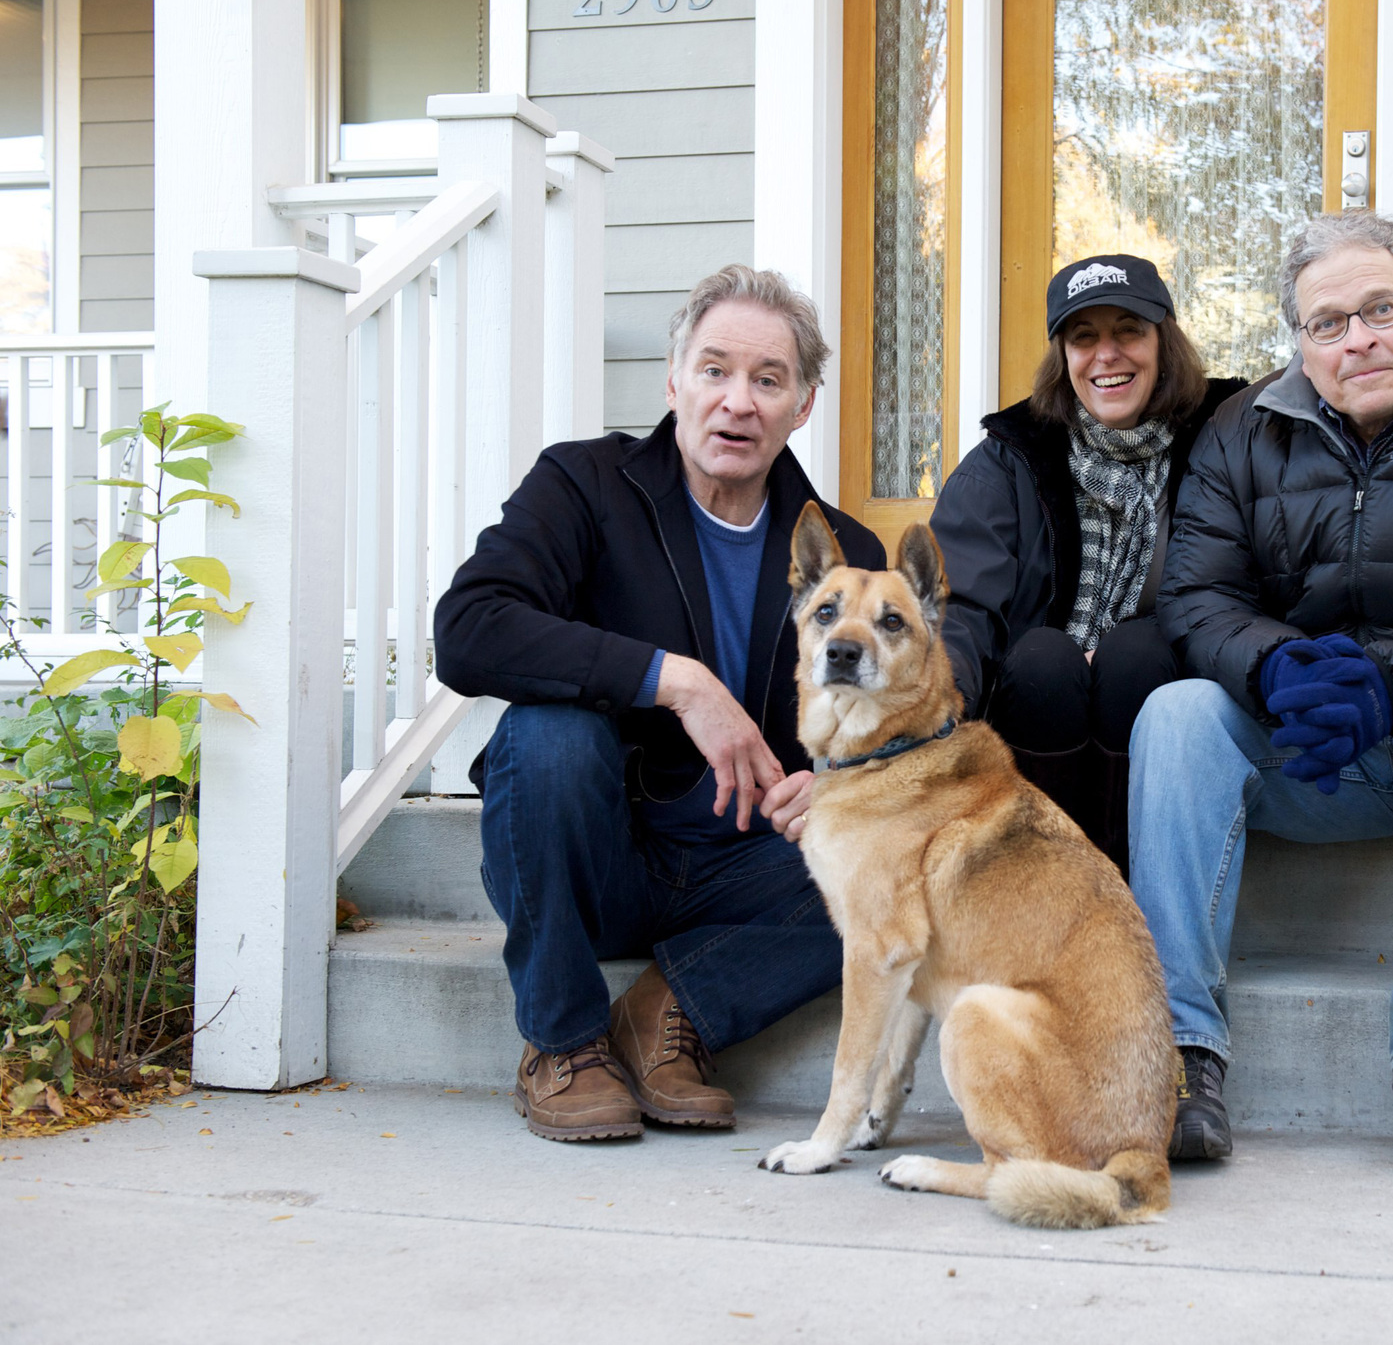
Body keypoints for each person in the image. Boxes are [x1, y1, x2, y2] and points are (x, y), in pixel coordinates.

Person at [1130, 211, 1393, 1183]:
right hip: (1303, 748)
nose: (1356, 339)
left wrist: (1389, 680)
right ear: (1297, 341)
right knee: (1177, 713)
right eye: (1327, 322)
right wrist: (1282, 669)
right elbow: (1195, 596)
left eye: (1378, 309)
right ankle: (1176, 1057)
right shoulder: (1240, 432)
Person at [434, 264, 885, 1142]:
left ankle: (672, 1009)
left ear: (804, 404)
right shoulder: (584, 487)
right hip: (592, 853)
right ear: (673, 380)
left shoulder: (846, 551)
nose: (737, 402)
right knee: (548, 735)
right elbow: (468, 628)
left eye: (768, 379)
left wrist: (841, 786)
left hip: (747, 867)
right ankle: (563, 1040)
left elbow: (888, 728)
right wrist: (675, 680)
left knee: (894, 862)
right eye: (714, 370)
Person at [928, 254, 1245, 870]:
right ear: (1062, 356)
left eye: (1128, 329)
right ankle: (1041, 874)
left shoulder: (1224, 435)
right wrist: (939, 706)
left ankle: (1138, 879)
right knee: (1047, 659)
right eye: (1084, 337)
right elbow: (957, 604)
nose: (1107, 354)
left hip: (1168, 689)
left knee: (1136, 650)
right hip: (1037, 699)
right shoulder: (1010, 459)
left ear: (1164, 341)